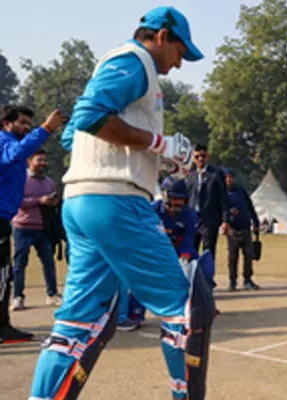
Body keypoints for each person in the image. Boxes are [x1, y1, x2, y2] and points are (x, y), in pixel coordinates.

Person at [30, 7, 215, 399]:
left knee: (79, 323)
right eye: (181, 51)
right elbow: (88, 117)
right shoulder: (136, 61)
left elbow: (74, 140)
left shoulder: (128, 68)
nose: (180, 63)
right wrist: (159, 144)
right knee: (185, 310)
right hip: (116, 201)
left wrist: (158, 157)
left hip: (83, 201)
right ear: (162, 36)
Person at [0, 105, 65, 343]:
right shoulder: (3, 141)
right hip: (6, 220)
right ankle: (2, 327)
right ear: (7, 123)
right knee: (5, 273)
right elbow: (15, 154)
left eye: (30, 123)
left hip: (7, 217)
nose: (27, 127)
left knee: (5, 274)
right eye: (22, 122)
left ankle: (3, 325)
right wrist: (46, 128)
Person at [121, 178, 215, 330]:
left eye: (181, 199)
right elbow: (141, 236)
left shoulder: (189, 215)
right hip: (152, 251)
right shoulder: (152, 210)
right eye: (174, 198)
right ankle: (134, 314)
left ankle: (202, 306)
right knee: (143, 277)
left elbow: (188, 239)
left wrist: (185, 256)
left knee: (203, 265)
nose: (178, 203)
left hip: (177, 251)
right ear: (165, 196)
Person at [11, 148, 63, 311]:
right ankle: (18, 297)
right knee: (20, 264)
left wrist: (53, 202)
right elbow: (17, 201)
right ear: (29, 161)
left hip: (44, 228)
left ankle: (52, 294)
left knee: (49, 262)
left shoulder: (49, 182)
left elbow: (51, 202)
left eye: (44, 160)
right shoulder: (20, 179)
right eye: (39, 160)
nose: (43, 164)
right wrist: (39, 200)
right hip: (23, 227)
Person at [186, 144, 229, 277]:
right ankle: (191, 280)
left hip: (209, 220)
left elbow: (224, 198)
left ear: (207, 156)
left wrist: (225, 220)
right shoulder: (191, 175)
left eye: (203, 156)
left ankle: (207, 281)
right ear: (193, 158)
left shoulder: (216, 174)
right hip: (193, 219)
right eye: (197, 156)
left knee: (208, 252)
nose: (200, 159)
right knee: (190, 251)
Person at [223, 168, 260, 292]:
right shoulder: (222, 194)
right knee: (233, 257)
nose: (229, 179)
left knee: (249, 255)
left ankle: (247, 280)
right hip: (232, 229)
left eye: (231, 177)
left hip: (245, 227)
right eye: (226, 177)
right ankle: (232, 281)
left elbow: (250, 206)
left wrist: (256, 221)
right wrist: (228, 216)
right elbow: (220, 210)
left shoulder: (241, 191)